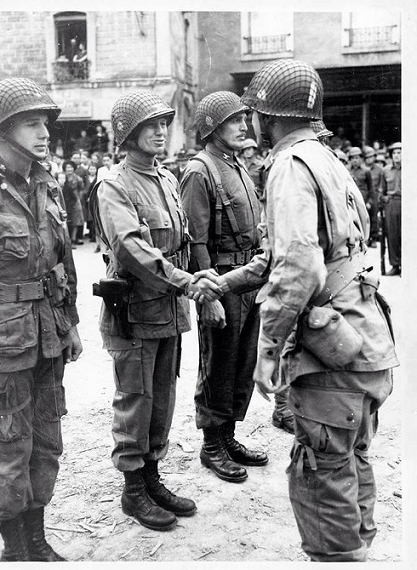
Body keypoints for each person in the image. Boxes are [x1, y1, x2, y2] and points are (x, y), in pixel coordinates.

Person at [214, 59, 398, 562]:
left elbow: (298, 267)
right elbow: (311, 252)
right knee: (351, 456)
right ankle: (356, 549)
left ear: (264, 116)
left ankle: (339, 558)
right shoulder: (327, 158)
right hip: (366, 338)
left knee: (322, 469)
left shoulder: (289, 167)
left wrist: (268, 348)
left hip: (332, 348)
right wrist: (229, 279)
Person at [0, 77, 83, 561]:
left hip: (48, 335)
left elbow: (62, 265)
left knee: (46, 441)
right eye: (32, 123)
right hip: (2, 341)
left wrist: (69, 323)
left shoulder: (46, 185)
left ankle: (37, 538)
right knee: (10, 448)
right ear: (1, 129)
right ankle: (15, 549)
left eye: (45, 123)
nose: (45, 132)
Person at [91, 90, 222, 531]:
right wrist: (187, 282)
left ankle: (151, 478)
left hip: (167, 310)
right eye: (152, 125)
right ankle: (133, 490)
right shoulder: (114, 185)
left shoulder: (166, 179)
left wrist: (203, 281)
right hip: (134, 311)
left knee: (162, 396)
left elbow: (182, 242)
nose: (162, 130)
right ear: (128, 134)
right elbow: (131, 249)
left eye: (165, 123)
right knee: (136, 399)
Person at [180, 91, 270, 484]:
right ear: (213, 128)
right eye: (234, 121)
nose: (243, 126)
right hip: (220, 282)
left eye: (244, 120)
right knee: (218, 363)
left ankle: (228, 435)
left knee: (242, 363)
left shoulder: (233, 164)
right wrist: (207, 297)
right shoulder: (201, 171)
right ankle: (211, 443)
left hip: (247, 280)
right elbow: (195, 240)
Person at [381, 142, 402, 276]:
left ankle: (407, 264)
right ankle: (395, 264)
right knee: (392, 235)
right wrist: (383, 199)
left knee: (405, 235)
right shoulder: (386, 170)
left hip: (406, 203)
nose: (396, 156)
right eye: (394, 153)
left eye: (399, 152)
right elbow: (382, 191)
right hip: (391, 204)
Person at [62, 160, 85, 246]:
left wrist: (78, 199)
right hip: (65, 199)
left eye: (71, 167)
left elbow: (81, 190)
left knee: (76, 221)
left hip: (75, 201)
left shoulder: (78, 179)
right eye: (67, 167)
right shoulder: (62, 177)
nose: (69, 169)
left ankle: (74, 239)